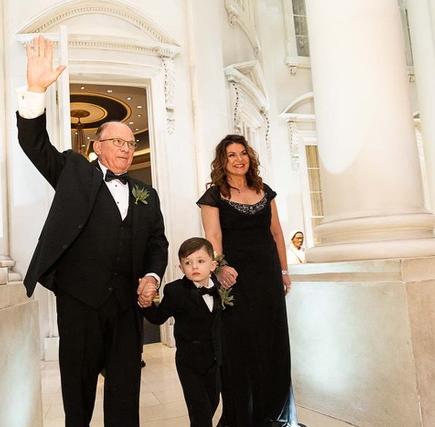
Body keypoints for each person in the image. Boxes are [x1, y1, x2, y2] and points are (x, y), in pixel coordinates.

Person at [16, 35, 169, 427]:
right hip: (79, 301)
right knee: (78, 390)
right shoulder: (73, 171)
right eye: (117, 141)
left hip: (127, 305)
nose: (126, 148)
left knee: (125, 389)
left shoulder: (147, 194)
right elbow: (35, 144)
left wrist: (153, 276)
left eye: (131, 143)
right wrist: (35, 90)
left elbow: (157, 242)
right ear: (97, 147)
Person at [197, 134, 297, 426]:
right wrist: (219, 268)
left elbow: (276, 233)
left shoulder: (264, 190)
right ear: (223, 161)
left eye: (243, 153)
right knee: (240, 344)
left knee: (271, 340)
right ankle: (243, 416)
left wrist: (283, 271)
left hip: (267, 275)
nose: (239, 159)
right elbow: (213, 236)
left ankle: (273, 412)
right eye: (232, 155)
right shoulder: (214, 195)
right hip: (235, 278)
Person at [141, 237, 222, 427]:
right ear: (181, 268)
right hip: (190, 362)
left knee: (212, 403)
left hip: (216, 362)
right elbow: (159, 317)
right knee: (199, 410)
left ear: (212, 265)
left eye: (200, 261)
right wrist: (145, 303)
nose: (194, 267)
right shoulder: (175, 291)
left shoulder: (221, 289)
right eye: (188, 263)